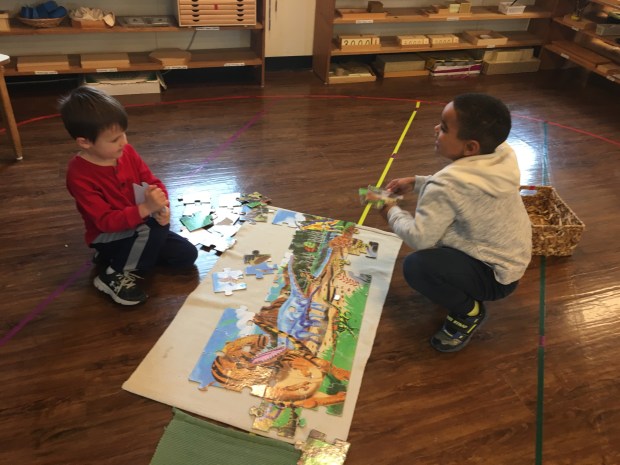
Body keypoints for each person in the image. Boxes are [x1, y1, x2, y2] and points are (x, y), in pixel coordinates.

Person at [379, 93, 532, 352]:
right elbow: (462, 186)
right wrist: (418, 182)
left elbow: (419, 238)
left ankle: (469, 313)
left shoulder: (447, 186)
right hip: (511, 260)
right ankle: (458, 286)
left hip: (494, 276)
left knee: (417, 266)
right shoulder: (502, 153)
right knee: (435, 252)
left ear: (470, 148)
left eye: (444, 128)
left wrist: (391, 211)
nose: (435, 129)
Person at [59, 86, 198, 306]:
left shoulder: (127, 152)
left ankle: (120, 256)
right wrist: (147, 209)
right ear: (85, 142)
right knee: (153, 229)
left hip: (140, 225)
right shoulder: (78, 175)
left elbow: (153, 183)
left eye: (124, 133)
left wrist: (163, 207)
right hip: (106, 234)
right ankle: (112, 274)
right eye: (114, 139)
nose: (123, 142)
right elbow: (105, 222)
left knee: (186, 255)